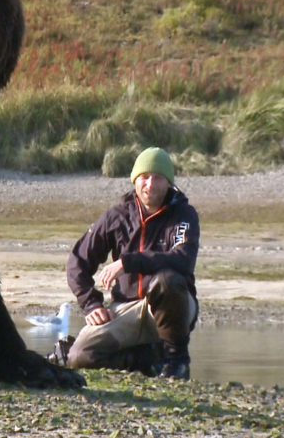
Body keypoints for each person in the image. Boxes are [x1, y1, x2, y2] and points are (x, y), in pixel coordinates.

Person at [50, 147, 199, 379]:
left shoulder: (183, 215)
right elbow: (77, 262)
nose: (150, 184)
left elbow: (183, 259)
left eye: (158, 178)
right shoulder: (116, 216)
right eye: (144, 177)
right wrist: (91, 304)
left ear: (169, 182)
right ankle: (149, 359)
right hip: (125, 307)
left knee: (167, 281)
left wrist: (128, 262)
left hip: (170, 308)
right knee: (79, 356)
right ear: (135, 180)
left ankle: (176, 361)